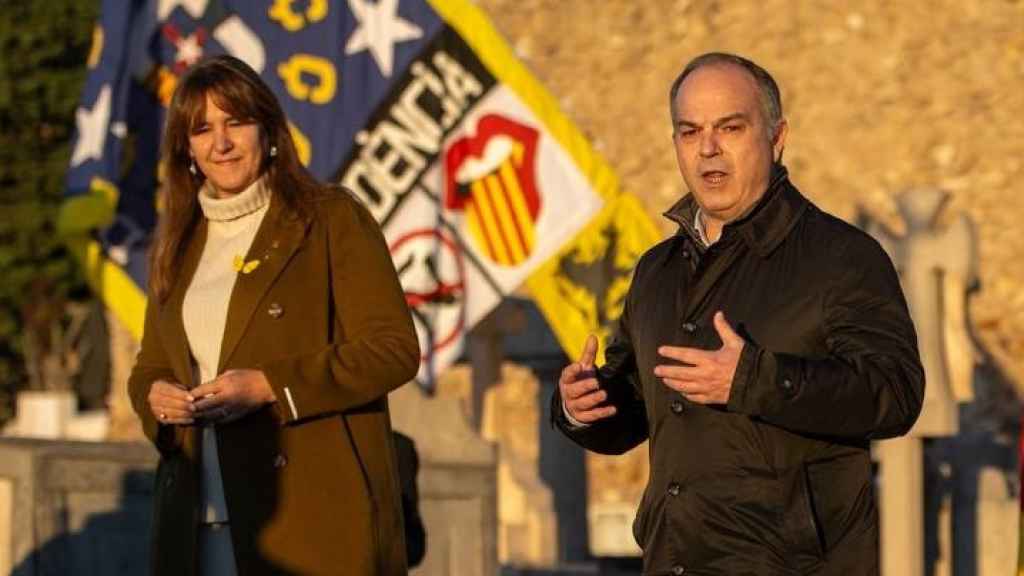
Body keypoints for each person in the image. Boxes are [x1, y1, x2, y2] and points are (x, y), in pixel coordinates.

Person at [553, 52, 925, 575]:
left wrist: (755, 379)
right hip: (674, 560)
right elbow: (638, 406)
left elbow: (896, 394)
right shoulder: (656, 272)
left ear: (776, 138)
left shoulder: (841, 257)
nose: (708, 148)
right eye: (689, 132)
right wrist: (585, 406)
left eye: (730, 127)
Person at [128, 55, 419, 575]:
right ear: (187, 149)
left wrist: (269, 386)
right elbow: (151, 366)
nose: (221, 143)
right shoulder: (176, 242)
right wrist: (157, 398)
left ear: (269, 131)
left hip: (309, 524)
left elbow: (393, 350)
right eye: (202, 129)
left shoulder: (330, 217)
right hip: (195, 524)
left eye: (236, 122)